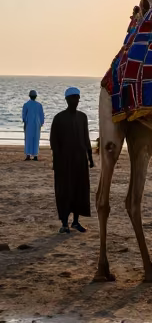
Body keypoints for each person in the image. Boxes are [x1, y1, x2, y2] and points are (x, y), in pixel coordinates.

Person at [49, 87, 94, 233]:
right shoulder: (59, 118)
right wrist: (57, 162)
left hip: (80, 161)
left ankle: (75, 222)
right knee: (64, 191)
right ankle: (64, 223)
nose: (76, 100)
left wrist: (90, 157)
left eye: (78, 97)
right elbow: (54, 142)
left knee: (79, 191)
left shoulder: (83, 117)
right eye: (73, 97)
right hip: (64, 163)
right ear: (67, 99)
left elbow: (86, 138)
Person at [22, 89, 45, 161]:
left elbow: (24, 115)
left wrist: (25, 121)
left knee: (28, 139)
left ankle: (28, 155)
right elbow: (42, 115)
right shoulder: (39, 105)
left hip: (29, 123)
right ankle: (35, 155)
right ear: (36, 96)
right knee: (36, 139)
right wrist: (41, 123)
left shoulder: (26, 105)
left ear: (29, 96)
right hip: (37, 124)